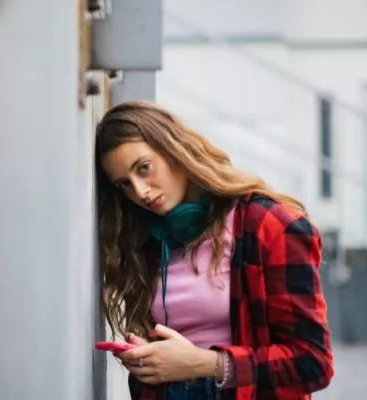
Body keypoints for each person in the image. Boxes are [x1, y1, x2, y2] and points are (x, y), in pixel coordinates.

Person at [95, 100, 334, 400]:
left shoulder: (270, 225)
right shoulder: (150, 238)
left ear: (175, 151)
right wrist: (149, 363)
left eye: (144, 168)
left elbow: (313, 362)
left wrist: (208, 364)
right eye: (125, 185)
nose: (140, 192)